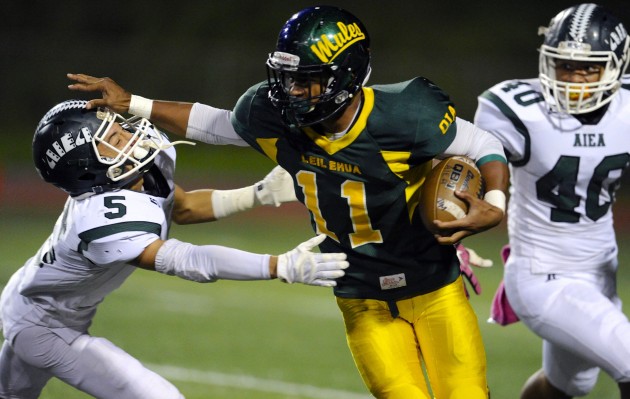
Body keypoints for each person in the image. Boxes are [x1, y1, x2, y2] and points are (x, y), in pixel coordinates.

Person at [67, 6, 509, 398]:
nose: (292, 91)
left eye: (307, 81)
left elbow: (483, 142)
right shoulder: (270, 113)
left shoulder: (406, 114)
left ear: (346, 76)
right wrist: (135, 104)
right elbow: (212, 123)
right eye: (287, 78)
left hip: (434, 286)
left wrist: (495, 200)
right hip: (360, 296)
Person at [0, 99, 349, 399]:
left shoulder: (136, 170)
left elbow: (181, 207)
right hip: (43, 325)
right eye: (111, 138)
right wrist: (278, 265)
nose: (127, 134)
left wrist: (258, 194)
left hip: (36, 301)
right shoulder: (100, 217)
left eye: (116, 125)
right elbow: (187, 260)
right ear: (87, 169)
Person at [474, 3, 630, 398]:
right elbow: (468, 172)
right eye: (565, 66)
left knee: (563, 387)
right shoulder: (515, 108)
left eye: (588, 68)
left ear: (616, 66)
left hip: (600, 272)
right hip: (543, 277)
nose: (575, 80)